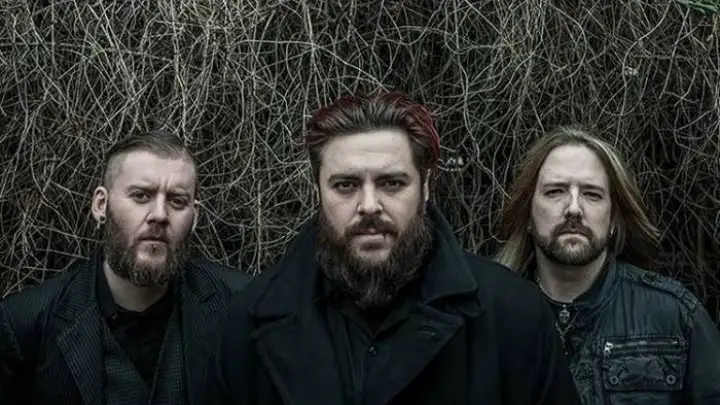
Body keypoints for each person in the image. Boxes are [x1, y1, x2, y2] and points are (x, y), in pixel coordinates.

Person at [208, 91, 582, 405]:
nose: (369, 205)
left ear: (425, 188)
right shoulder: (252, 321)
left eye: (391, 183)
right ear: (317, 191)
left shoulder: (512, 316)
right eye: (345, 185)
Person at [0, 130, 250, 405]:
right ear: (101, 205)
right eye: (141, 196)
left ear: (195, 217)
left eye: (177, 201)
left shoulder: (241, 307)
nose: (160, 215)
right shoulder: (24, 324)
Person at [495, 126, 720, 405]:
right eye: (555, 191)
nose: (573, 208)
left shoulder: (674, 316)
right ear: (528, 214)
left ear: (613, 218)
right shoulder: (491, 318)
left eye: (592, 194)